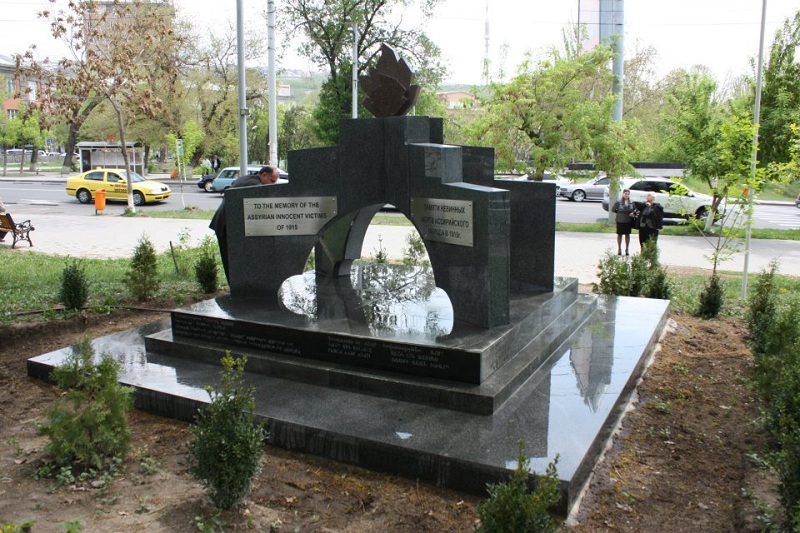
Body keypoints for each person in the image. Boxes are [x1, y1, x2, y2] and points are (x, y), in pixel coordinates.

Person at [209, 166, 281, 281]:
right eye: (272, 181)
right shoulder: (254, 186)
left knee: (233, 263)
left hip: (227, 224)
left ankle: (237, 289)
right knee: (232, 263)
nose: (272, 185)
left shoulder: (247, 179)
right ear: (263, 175)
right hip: (228, 226)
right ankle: (237, 291)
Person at [611, 188, 635, 255]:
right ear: (623, 194)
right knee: (619, 234)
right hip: (620, 220)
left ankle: (627, 249)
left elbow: (635, 210)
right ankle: (619, 249)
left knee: (627, 235)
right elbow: (613, 209)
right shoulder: (618, 202)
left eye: (628, 194)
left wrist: (633, 213)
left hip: (628, 220)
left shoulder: (632, 202)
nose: (627, 195)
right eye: (625, 194)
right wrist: (619, 212)